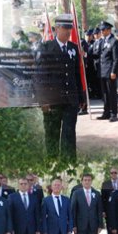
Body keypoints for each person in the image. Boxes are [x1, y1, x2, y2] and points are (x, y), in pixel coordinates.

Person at [36, 14, 83, 162]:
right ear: (56, 29)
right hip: (53, 100)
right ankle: (52, 164)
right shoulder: (46, 48)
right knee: (52, 133)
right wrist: (43, 100)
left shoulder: (74, 48)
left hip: (70, 99)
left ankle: (70, 164)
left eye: (70, 28)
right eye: (65, 28)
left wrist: (80, 97)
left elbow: (76, 74)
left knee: (69, 133)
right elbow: (40, 76)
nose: (68, 32)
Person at [97, 21, 118, 121]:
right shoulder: (102, 41)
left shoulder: (114, 41)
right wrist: (84, 54)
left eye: (103, 30)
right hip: (102, 71)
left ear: (109, 30)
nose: (101, 31)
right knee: (105, 94)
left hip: (110, 72)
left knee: (112, 93)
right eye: (101, 30)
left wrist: (113, 71)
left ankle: (114, 113)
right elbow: (98, 55)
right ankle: (106, 112)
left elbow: (116, 58)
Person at [101, 167, 118, 234]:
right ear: (110, 174)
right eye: (112, 173)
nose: (113, 174)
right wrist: (103, 211)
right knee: (110, 230)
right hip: (109, 211)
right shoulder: (106, 184)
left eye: (115, 173)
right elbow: (103, 199)